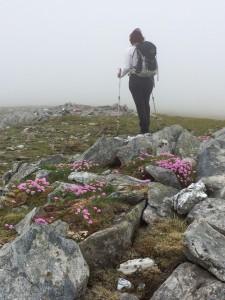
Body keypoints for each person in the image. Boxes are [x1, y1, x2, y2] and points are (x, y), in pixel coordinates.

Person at [118, 28, 156, 134]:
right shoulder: (147, 49)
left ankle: (144, 130)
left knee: (140, 105)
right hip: (149, 79)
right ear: (141, 38)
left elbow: (126, 67)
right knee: (145, 103)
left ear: (131, 39)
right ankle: (146, 127)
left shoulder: (129, 50)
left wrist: (120, 75)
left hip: (136, 80)